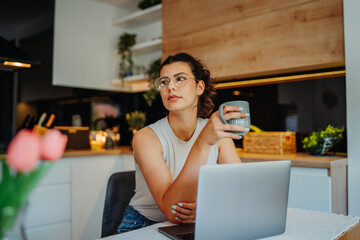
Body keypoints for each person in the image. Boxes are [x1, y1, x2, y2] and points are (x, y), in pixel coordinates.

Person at [117, 52, 248, 234]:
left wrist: (205, 206)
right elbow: (173, 211)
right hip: (142, 225)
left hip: (197, 222)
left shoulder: (217, 133)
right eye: (164, 81)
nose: (171, 86)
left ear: (199, 87)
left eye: (180, 79)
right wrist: (202, 142)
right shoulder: (145, 137)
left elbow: (241, 189)